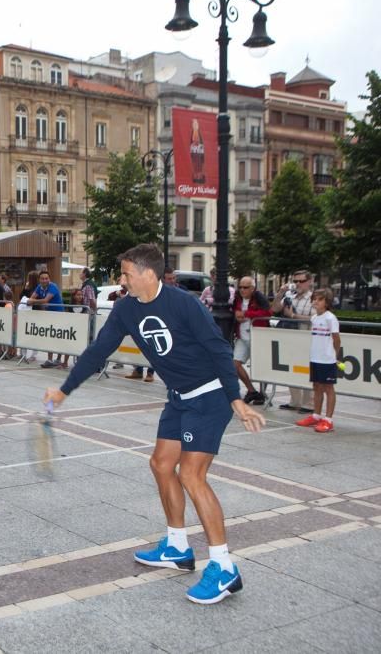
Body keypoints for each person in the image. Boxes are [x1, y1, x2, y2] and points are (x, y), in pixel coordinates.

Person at [44, 244, 265, 605]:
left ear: (148, 274)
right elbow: (98, 351)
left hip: (208, 397)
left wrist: (235, 397)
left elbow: (218, 349)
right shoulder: (126, 309)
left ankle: (224, 567)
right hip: (179, 397)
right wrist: (64, 391)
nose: (122, 279)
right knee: (161, 464)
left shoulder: (184, 304)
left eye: (127, 273)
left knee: (192, 475)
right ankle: (178, 546)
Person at [296, 289, 341, 433]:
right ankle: (316, 416)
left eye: (319, 299)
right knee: (317, 386)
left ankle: (328, 420)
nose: (315, 301)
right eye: (314, 299)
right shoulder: (314, 318)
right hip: (315, 358)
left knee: (328, 388)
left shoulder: (331, 318)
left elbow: (336, 339)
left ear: (327, 303)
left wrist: (334, 355)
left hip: (327, 359)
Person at [270, 270, 315, 412]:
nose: (298, 284)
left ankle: (309, 404)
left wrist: (293, 315)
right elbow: (274, 309)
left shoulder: (313, 297)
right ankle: (295, 401)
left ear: (309, 281)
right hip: (289, 336)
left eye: (301, 281)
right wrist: (280, 294)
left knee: (307, 370)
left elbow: (314, 318)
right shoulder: (290, 295)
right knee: (291, 367)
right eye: (295, 281)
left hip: (306, 336)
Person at [233, 276, 271, 405]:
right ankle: (251, 390)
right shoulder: (237, 298)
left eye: (246, 287)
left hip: (258, 336)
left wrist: (247, 314)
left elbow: (267, 312)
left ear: (253, 288)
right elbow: (234, 310)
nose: (242, 290)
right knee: (235, 364)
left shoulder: (259, 297)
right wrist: (237, 315)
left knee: (260, 367)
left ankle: (262, 393)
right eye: (241, 287)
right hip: (242, 336)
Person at [29, 271, 63, 368]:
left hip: (58, 315)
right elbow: (31, 299)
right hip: (49, 315)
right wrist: (33, 300)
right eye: (42, 278)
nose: (44, 280)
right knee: (50, 337)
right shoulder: (39, 287)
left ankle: (58, 359)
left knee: (58, 338)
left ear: (49, 279)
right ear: (39, 280)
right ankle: (49, 359)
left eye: (46, 278)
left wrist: (33, 301)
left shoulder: (53, 286)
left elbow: (45, 300)